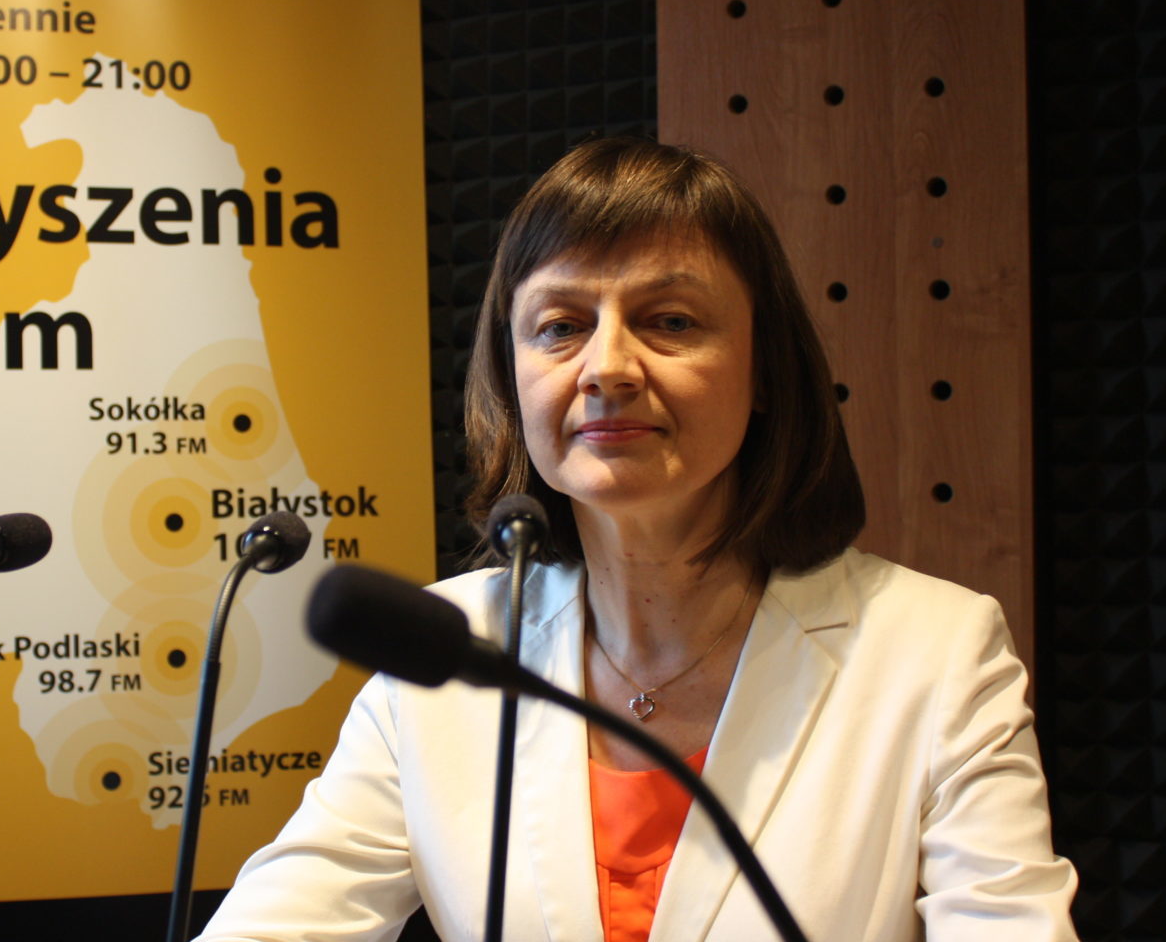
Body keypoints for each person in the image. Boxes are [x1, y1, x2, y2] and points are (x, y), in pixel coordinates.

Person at [197, 138, 1078, 941]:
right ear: (511, 376)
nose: (608, 368)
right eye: (560, 327)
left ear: (764, 373)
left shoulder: (936, 653)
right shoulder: (439, 658)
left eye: (671, 321)